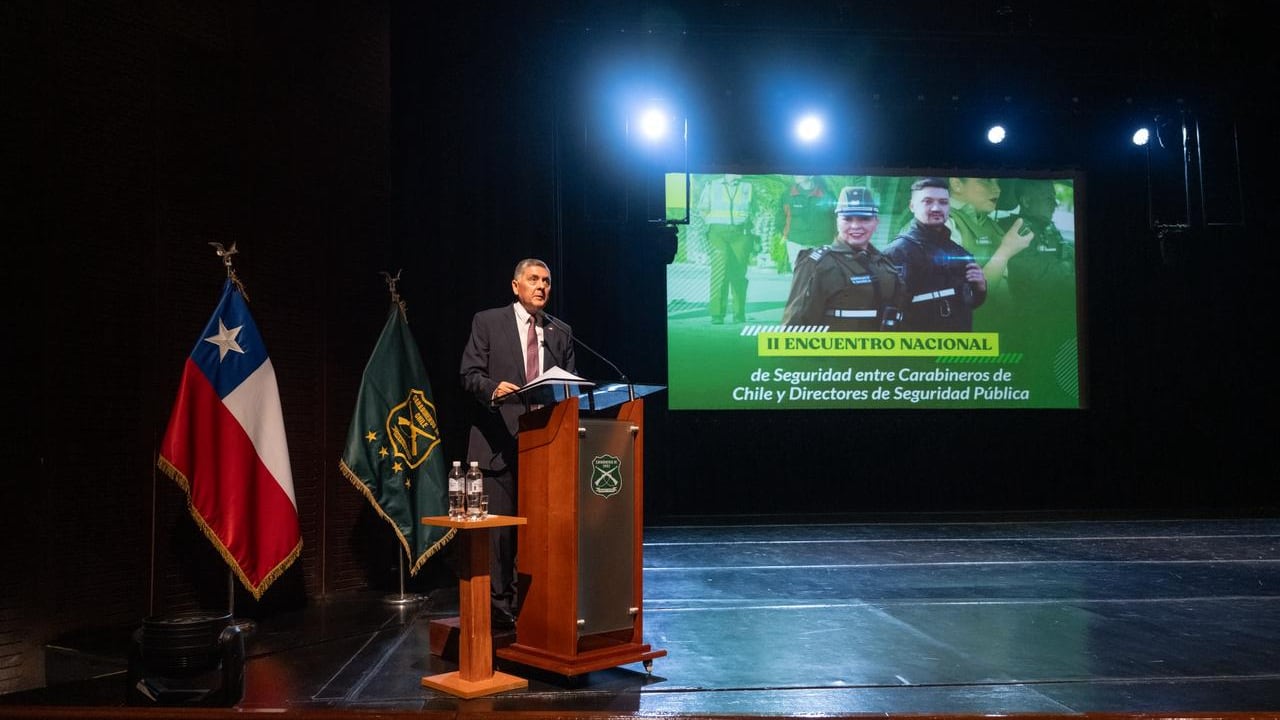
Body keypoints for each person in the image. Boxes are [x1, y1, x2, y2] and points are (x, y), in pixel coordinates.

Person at [459, 258, 576, 629]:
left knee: (538, 530)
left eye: (546, 281)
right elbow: (469, 374)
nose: (541, 286)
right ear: (515, 285)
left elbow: (569, 387)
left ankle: (532, 603)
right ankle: (497, 608)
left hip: (544, 446)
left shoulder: (560, 331)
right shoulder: (488, 322)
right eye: (533, 279)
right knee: (500, 535)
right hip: (497, 444)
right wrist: (493, 389)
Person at [781, 186, 906, 331]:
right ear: (837, 221)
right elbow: (794, 327)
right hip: (836, 353)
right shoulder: (817, 264)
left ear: (876, 222)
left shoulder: (885, 262)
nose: (855, 226)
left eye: (864, 219)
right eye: (847, 219)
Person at [884, 177, 988, 331]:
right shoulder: (898, 252)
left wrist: (980, 287)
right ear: (912, 206)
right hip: (917, 349)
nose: (936, 208)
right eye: (927, 201)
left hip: (957, 348)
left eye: (943, 202)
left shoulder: (959, 252)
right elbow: (888, 310)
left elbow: (970, 303)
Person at [947, 177, 1033, 306]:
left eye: (997, 182)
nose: (998, 189)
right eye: (986, 180)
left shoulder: (992, 226)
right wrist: (1006, 251)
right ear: (957, 184)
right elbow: (965, 299)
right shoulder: (941, 224)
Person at [696, 173, 757, 324]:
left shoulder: (747, 187)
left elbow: (754, 210)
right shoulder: (712, 185)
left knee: (738, 274)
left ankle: (739, 313)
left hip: (740, 234)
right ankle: (717, 314)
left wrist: (748, 224)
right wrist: (712, 222)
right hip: (718, 233)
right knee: (719, 272)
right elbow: (702, 209)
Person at [778, 175, 836, 274]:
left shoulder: (827, 195)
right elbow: (780, 219)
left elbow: (835, 218)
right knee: (800, 280)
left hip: (822, 244)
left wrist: (834, 239)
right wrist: (787, 235)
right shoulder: (787, 196)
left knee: (821, 278)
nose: (796, 175)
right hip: (796, 243)